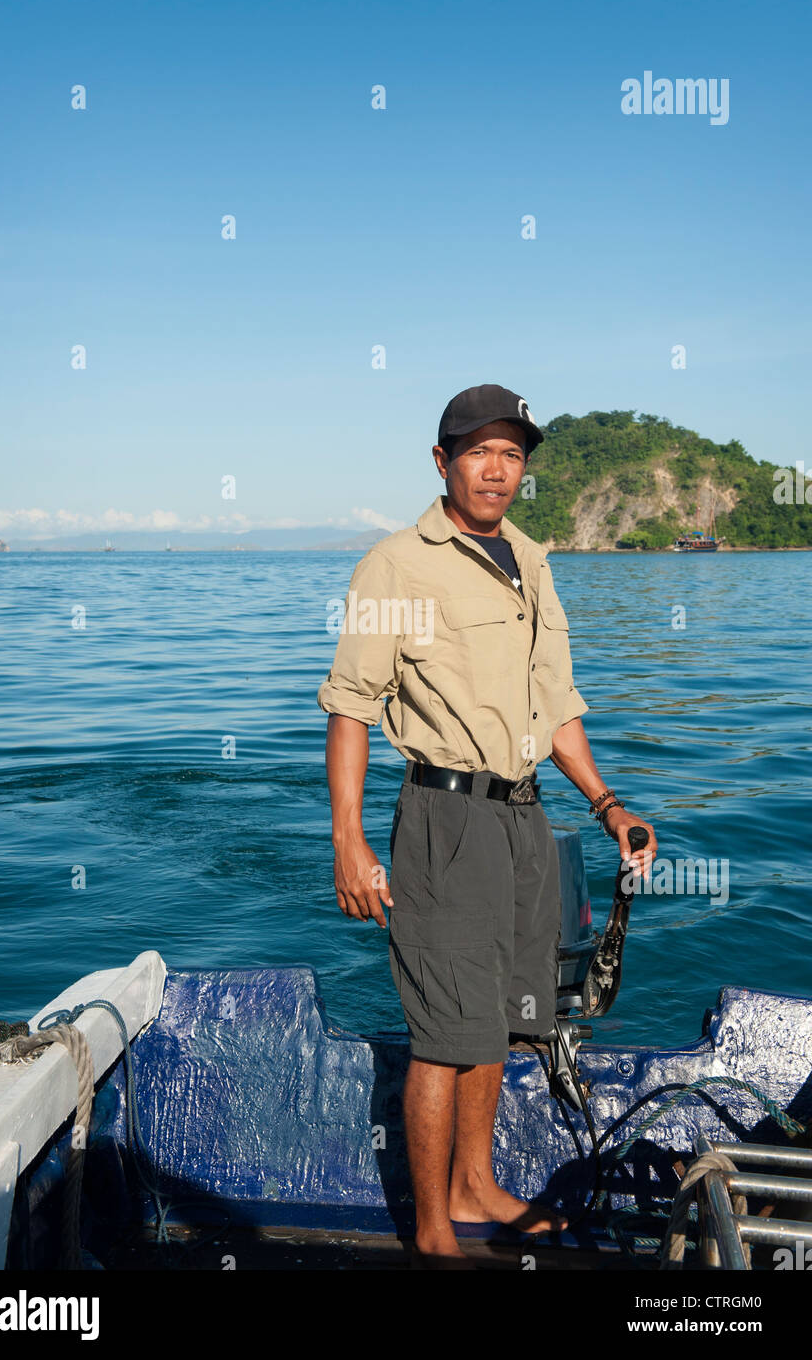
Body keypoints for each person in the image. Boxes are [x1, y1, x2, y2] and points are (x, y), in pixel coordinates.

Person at [318, 383, 657, 1267]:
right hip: (444, 819)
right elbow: (351, 707)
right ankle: (434, 1230)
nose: (497, 468)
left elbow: (559, 703)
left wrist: (607, 803)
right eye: (479, 452)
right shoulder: (396, 566)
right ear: (443, 462)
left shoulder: (535, 562)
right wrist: (348, 841)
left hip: (524, 820)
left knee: (508, 1021)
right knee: (444, 1035)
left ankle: (476, 1184)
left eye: (512, 453)